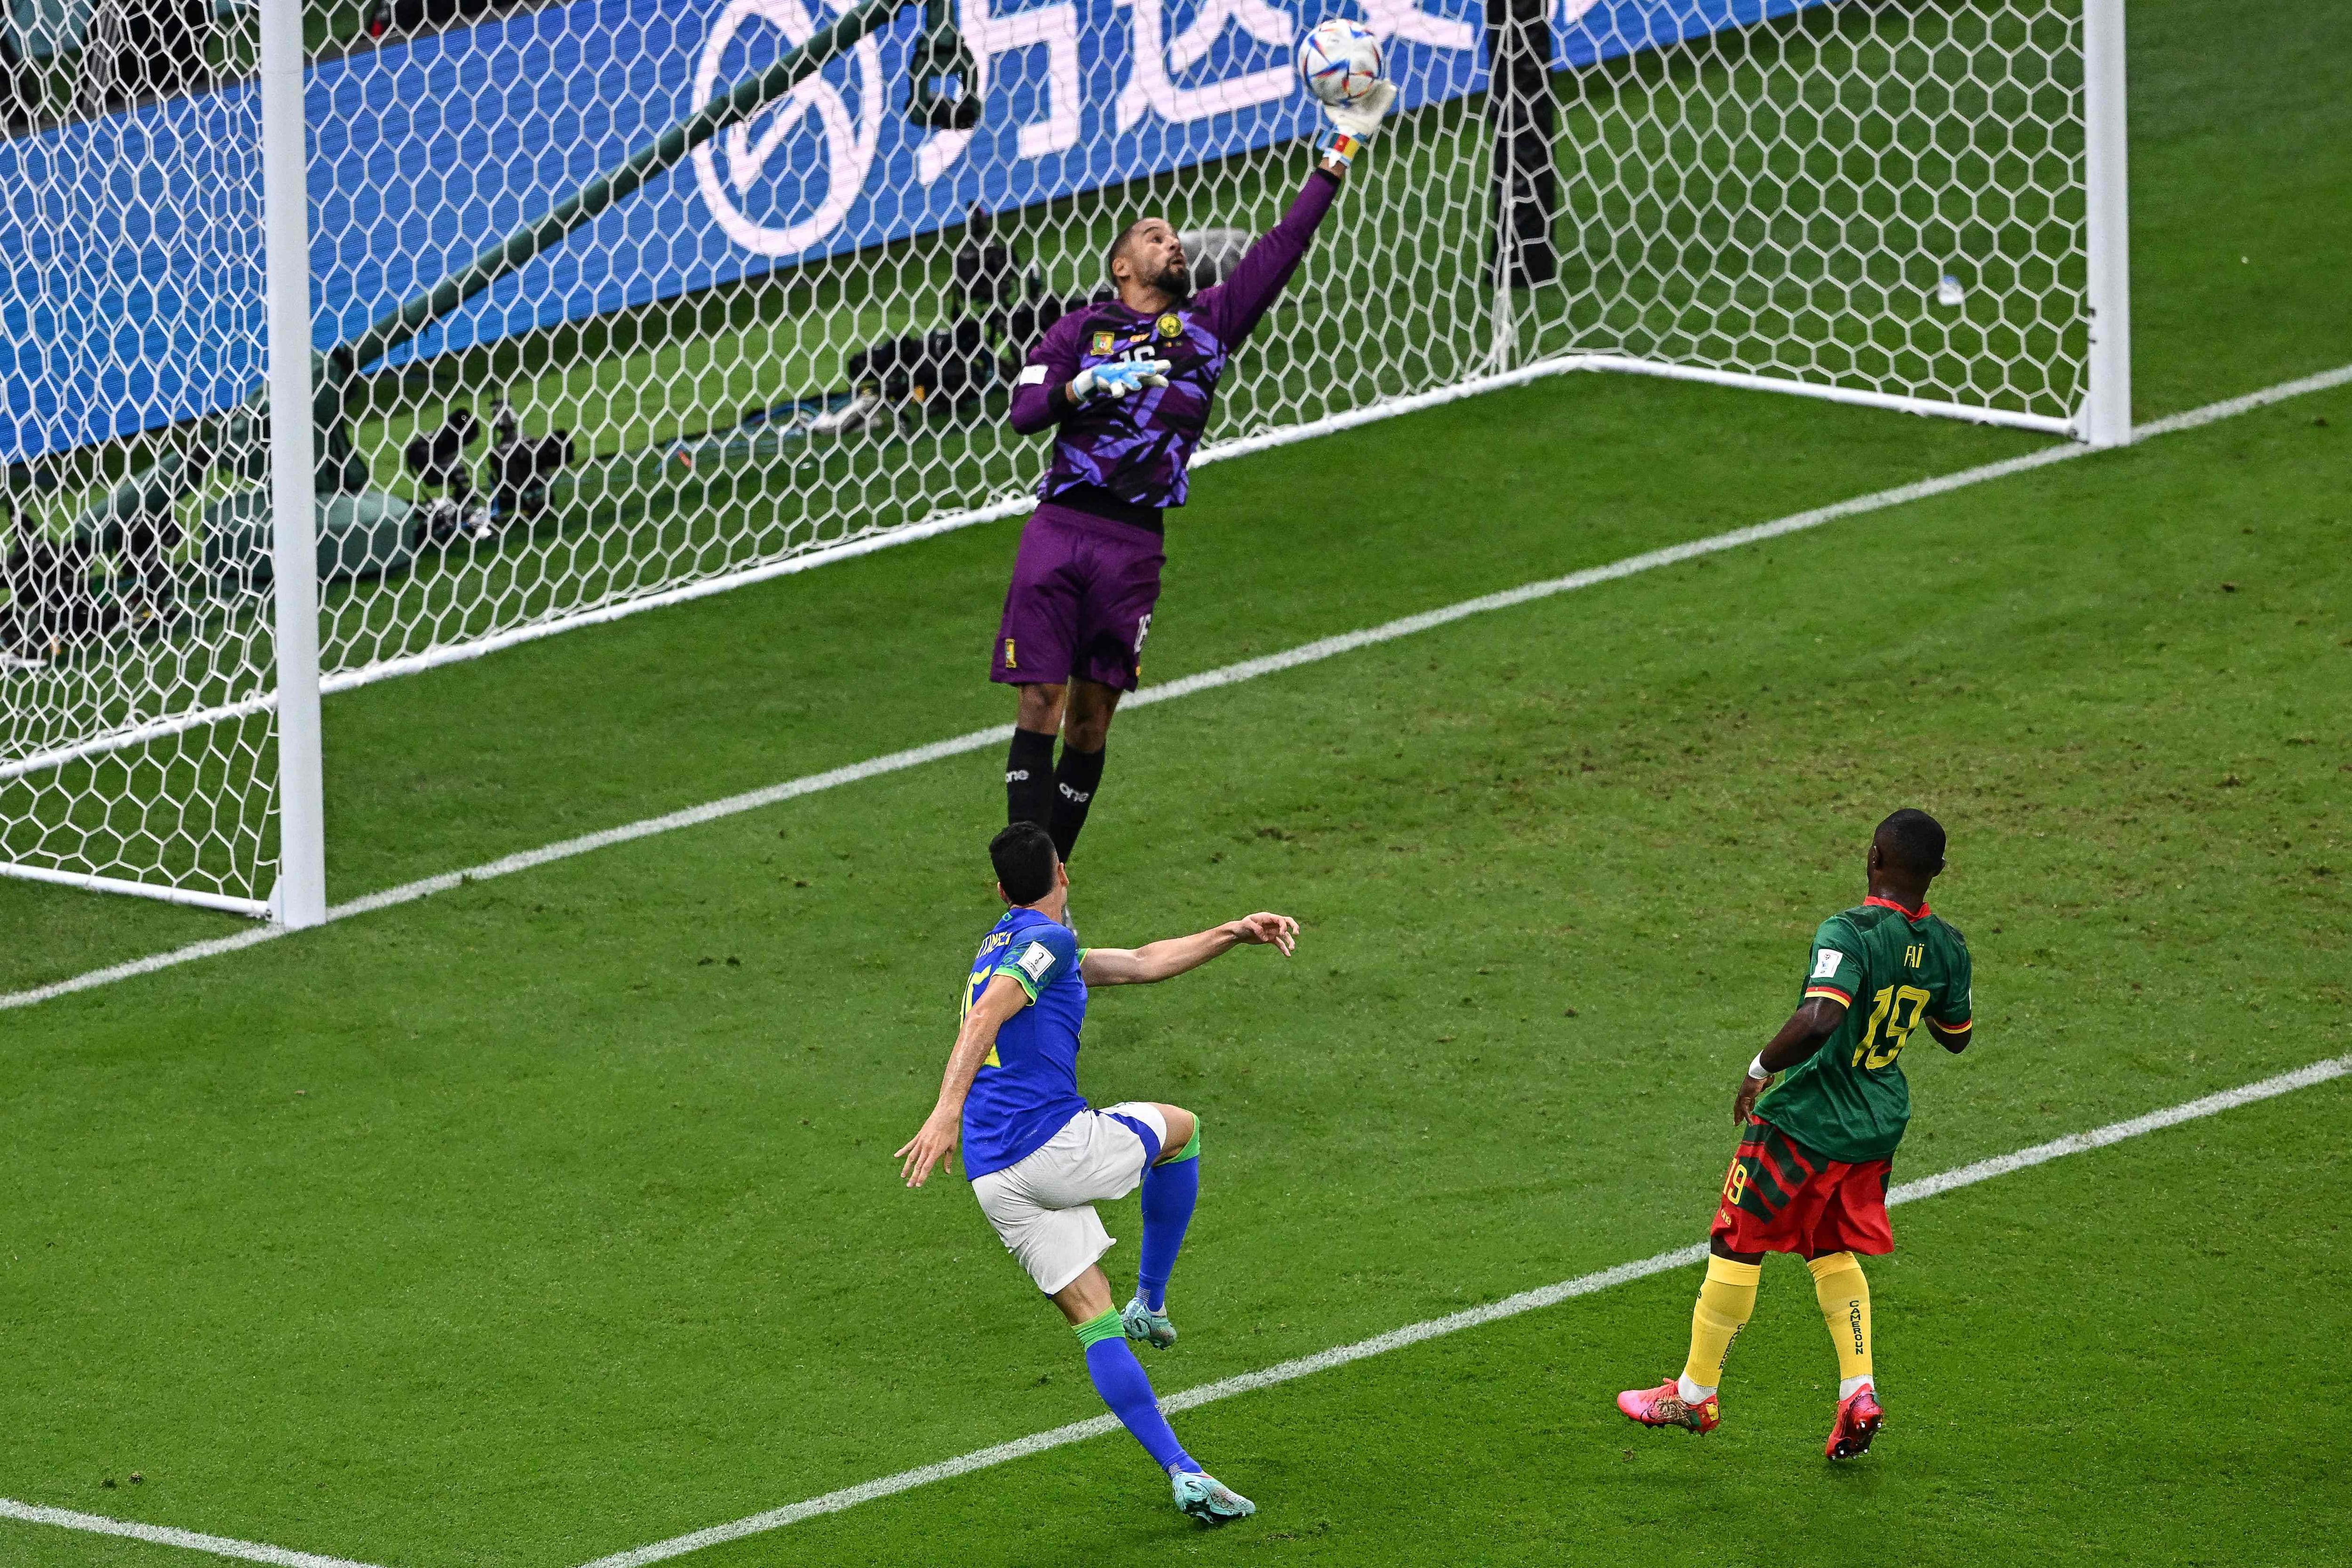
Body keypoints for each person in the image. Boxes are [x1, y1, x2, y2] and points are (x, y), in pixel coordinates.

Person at [991, 79, 1399, 863]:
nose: (1171, 243)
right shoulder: (1078, 329)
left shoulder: (1209, 324)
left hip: (1135, 543)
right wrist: (1082, 385)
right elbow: (1025, 410)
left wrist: (1340, 147)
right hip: (1062, 526)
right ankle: (1023, 883)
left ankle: (1053, 876)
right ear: (1120, 264)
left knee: (1091, 719)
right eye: (1153, 236)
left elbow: (1284, 244)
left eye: (1176, 237)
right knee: (1039, 698)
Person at [895, 821, 1299, 1522]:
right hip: (1051, 1147)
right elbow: (986, 1016)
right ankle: (1154, 1297)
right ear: (1064, 874)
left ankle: (1185, 1473)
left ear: (1000, 890)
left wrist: (1232, 931)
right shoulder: (1045, 943)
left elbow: (1141, 961)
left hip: (995, 1178)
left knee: (1092, 1319)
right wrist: (943, 1111)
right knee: (1184, 1131)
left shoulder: (1012, 943)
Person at [1616, 809, 1977, 1460]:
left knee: (1736, 1239)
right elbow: (1958, 1037)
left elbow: (1820, 1017)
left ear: (1873, 856)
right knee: (1831, 1245)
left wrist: (1760, 1069)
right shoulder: (1950, 947)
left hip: (1809, 1116)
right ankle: (1857, 1390)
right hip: (1877, 1119)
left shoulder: (1851, 930)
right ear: (1938, 873)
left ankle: (1695, 1395)